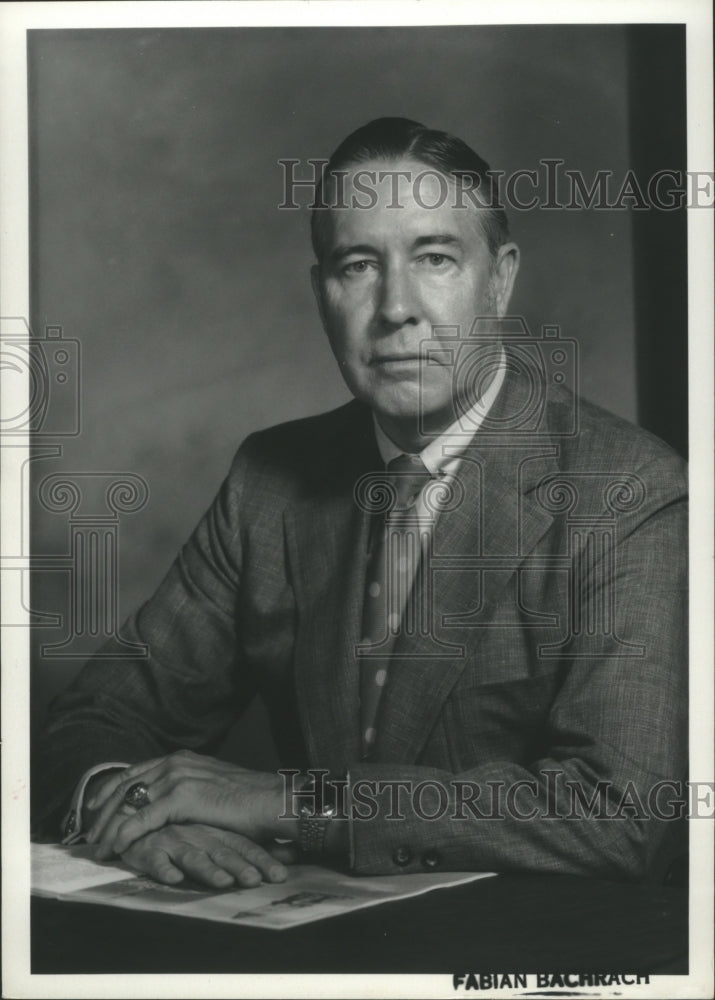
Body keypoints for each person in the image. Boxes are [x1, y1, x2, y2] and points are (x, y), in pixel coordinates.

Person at [33, 117, 688, 891]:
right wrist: (133, 812)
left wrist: (290, 802)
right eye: (357, 265)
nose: (395, 308)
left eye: (436, 258)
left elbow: (614, 813)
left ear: (500, 279)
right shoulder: (270, 479)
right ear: (322, 294)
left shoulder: (630, 491)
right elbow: (91, 720)